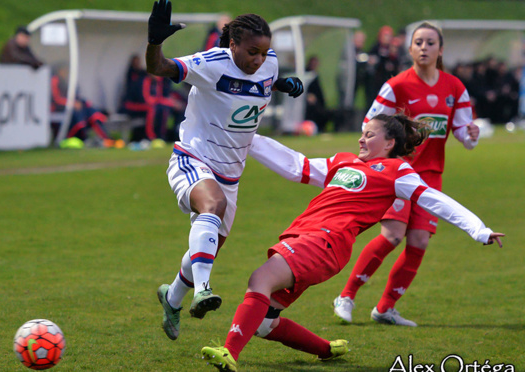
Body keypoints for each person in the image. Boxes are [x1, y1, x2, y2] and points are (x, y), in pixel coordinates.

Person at [200, 113, 503, 371]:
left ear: (389, 144)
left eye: (369, 135)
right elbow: (297, 165)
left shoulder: (397, 171)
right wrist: (248, 138)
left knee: (259, 279)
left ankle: (229, 352)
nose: (361, 140)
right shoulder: (343, 162)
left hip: (324, 242)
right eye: (362, 133)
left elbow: (435, 199)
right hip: (307, 239)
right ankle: (327, 350)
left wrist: (478, 229)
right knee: (265, 322)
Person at [145, 0, 304, 341]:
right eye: (251, 52)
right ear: (232, 44)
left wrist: (282, 85)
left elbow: (262, 80)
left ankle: (171, 298)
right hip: (193, 158)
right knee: (211, 207)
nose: (258, 59)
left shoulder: (269, 63)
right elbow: (158, 68)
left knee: (208, 246)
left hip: (232, 173)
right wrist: (155, 41)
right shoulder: (210, 63)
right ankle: (203, 290)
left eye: (264, 52)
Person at [332, 22, 482, 327]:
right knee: (392, 235)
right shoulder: (397, 85)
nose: (424, 48)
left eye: (430, 43)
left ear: (441, 49)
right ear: (410, 49)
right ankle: (346, 295)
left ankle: (385, 308)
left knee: (419, 242)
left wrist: (471, 133)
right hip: (398, 173)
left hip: (431, 176)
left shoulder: (454, 88)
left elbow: (465, 136)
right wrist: (381, 150)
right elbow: (368, 124)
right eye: (418, 42)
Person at [51, 64, 122, 148]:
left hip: (73, 107)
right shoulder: (55, 80)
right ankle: (84, 138)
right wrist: (73, 103)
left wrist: (85, 103)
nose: (66, 72)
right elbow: (56, 99)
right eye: (64, 70)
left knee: (91, 112)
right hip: (61, 109)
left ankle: (106, 138)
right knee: (80, 115)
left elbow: (76, 97)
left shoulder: (67, 81)